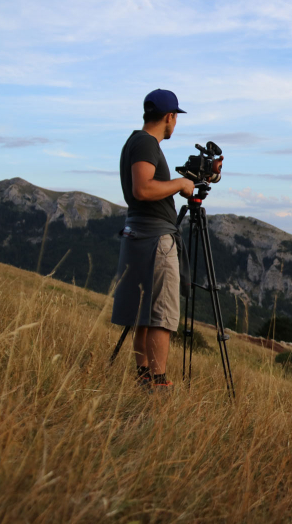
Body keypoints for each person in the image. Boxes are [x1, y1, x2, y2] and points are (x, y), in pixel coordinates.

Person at [111, 89, 222, 391]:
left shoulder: (136, 142)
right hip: (154, 238)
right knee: (161, 313)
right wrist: (180, 184)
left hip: (139, 233)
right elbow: (143, 189)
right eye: (176, 118)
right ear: (170, 117)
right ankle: (158, 382)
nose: (175, 123)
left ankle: (144, 376)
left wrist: (185, 181)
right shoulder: (146, 143)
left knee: (143, 311)